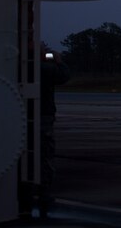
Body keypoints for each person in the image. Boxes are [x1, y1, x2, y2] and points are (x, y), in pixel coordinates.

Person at [38, 43, 70, 219]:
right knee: (45, 156)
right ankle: (44, 194)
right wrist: (58, 61)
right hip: (44, 116)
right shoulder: (45, 69)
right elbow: (64, 76)